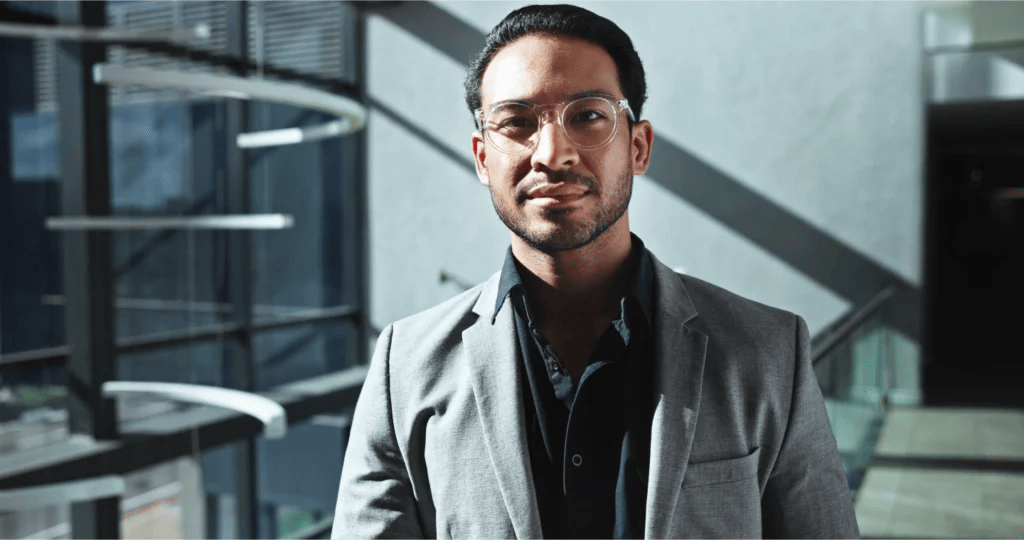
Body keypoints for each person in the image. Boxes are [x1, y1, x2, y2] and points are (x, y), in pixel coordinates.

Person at [332, 4, 860, 539]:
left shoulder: (768, 351)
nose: (552, 154)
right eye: (516, 122)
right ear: (481, 158)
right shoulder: (406, 368)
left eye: (587, 116)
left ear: (638, 146)